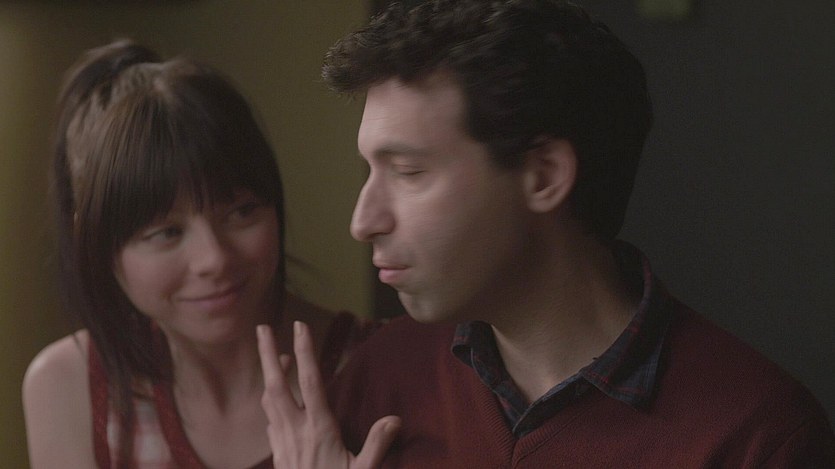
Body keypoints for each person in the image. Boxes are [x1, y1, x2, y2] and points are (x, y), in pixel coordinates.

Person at [258, 0, 835, 467]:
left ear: (545, 176)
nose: (363, 221)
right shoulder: (382, 376)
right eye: (369, 170)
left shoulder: (758, 434)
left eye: (408, 172)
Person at [21, 39, 384, 469]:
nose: (215, 259)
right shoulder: (72, 386)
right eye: (167, 232)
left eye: (241, 212)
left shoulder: (380, 365)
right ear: (96, 243)